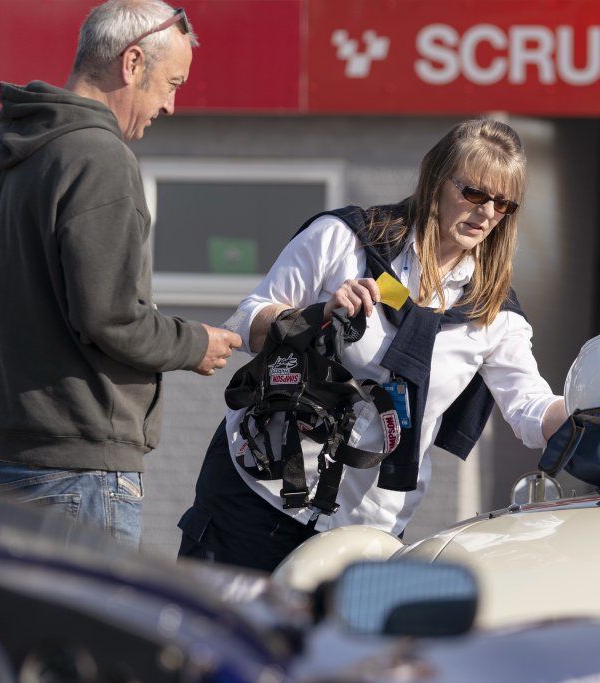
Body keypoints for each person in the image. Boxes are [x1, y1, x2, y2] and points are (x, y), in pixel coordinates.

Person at [178, 118, 567, 572]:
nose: (485, 213)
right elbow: (247, 322)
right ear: (436, 179)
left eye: (503, 204)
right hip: (258, 490)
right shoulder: (346, 240)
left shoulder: (492, 313)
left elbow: (531, 410)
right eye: (474, 193)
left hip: (365, 530)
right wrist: (316, 314)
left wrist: (598, 409)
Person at [0, 0, 242, 548]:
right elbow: (111, 316)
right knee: (89, 635)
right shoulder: (99, 157)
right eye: (172, 82)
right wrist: (195, 344)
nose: (171, 105)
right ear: (132, 61)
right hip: (73, 476)